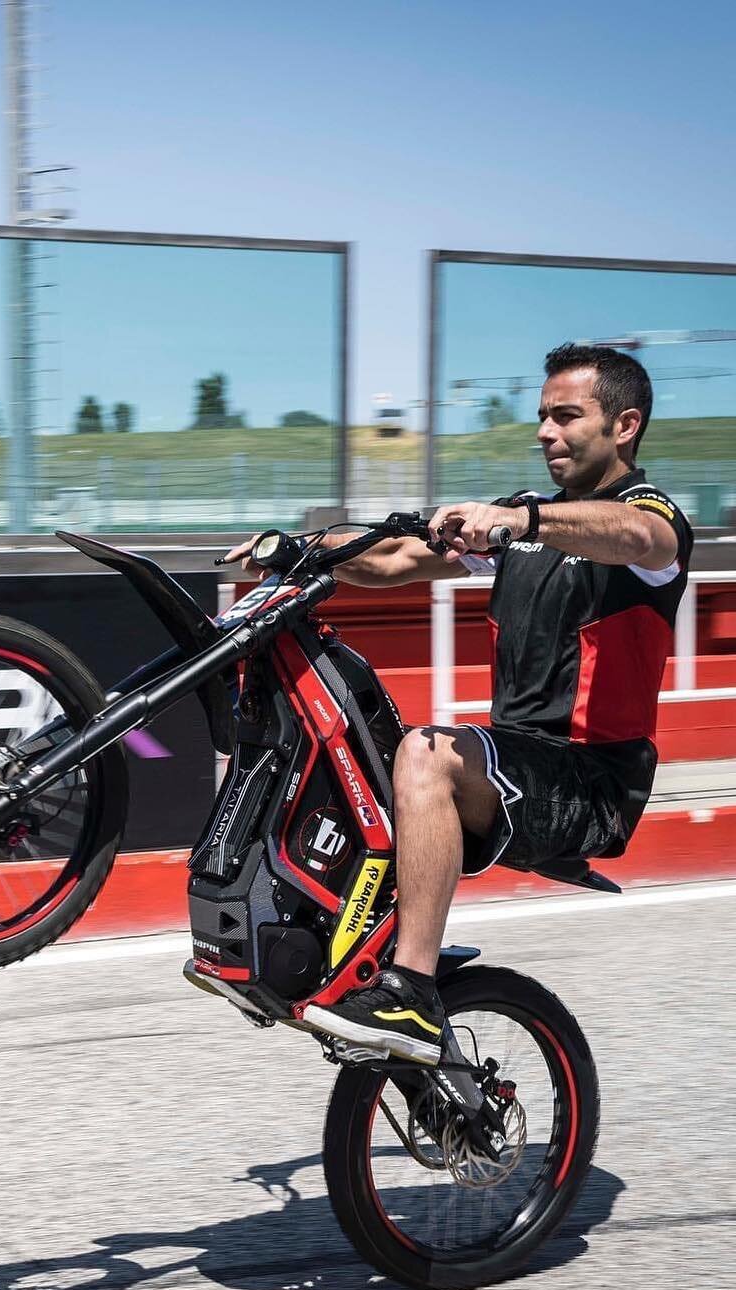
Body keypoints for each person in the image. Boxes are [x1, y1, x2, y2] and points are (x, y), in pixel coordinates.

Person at [224, 343, 692, 1063]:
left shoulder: (645, 521)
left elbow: (635, 534)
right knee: (355, 751)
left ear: (623, 426)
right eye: (541, 416)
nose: (544, 430)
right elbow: (388, 559)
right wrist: (301, 547)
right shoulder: (526, 523)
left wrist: (522, 521)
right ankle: (327, 949)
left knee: (425, 753)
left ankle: (409, 989)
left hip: (588, 784)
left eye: (566, 416)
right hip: (516, 770)